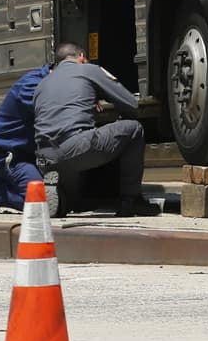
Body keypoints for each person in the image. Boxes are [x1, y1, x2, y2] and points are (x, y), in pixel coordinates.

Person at [33, 42, 160, 217]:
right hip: (77, 147)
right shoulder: (89, 70)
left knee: (76, 201)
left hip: (44, 158)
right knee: (134, 130)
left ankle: (63, 199)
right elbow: (131, 103)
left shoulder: (42, 84)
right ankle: (131, 200)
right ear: (82, 57)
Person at [0, 64, 50, 214]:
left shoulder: (50, 81)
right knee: (38, 203)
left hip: (28, 152)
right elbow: (54, 112)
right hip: (8, 153)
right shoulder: (32, 85)